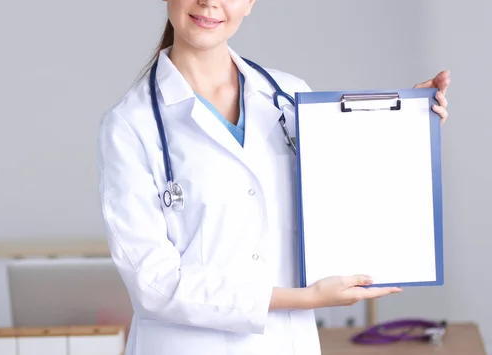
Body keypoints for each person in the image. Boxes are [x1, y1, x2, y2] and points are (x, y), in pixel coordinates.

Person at [97, 1, 451, 354]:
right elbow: (155, 286)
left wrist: (407, 123)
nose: (208, 2)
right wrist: (305, 298)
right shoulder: (131, 125)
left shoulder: (290, 97)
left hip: (287, 342)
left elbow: (346, 194)